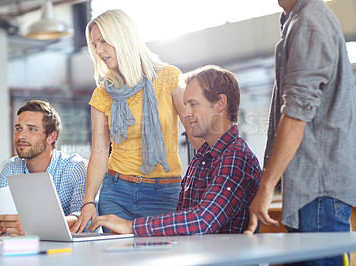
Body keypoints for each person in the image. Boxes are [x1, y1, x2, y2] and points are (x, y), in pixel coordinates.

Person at [86, 65, 262, 236]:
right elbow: (182, 219)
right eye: (186, 105)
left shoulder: (236, 157)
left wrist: (130, 226)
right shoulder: (203, 157)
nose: (185, 113)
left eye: (193, 104)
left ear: (220, 103)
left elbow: (202, 220)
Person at [71, 9, 203, 233]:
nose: (99, 50)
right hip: (117, 192)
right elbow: (100, 150)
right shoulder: (103, 94)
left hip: (165, 193)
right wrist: (88, 201)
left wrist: (210, 179)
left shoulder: (168, 77)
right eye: (94, 44)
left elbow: (195, 132)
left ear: (123, 36)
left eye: (103, 41)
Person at [245, 0, 356, 265]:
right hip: (313, 192)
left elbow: (296, 114)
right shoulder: (297, 21)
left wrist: (266, 186)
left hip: (318, 193)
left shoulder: (309, 23)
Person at [0, 100, 88, 237]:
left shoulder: (75, 167)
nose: (21, 136)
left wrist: (33, 227)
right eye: (18, 128)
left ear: (51, 136)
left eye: (32, 129)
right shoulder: (11, 168)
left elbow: (82, 218)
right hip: (26, 250)